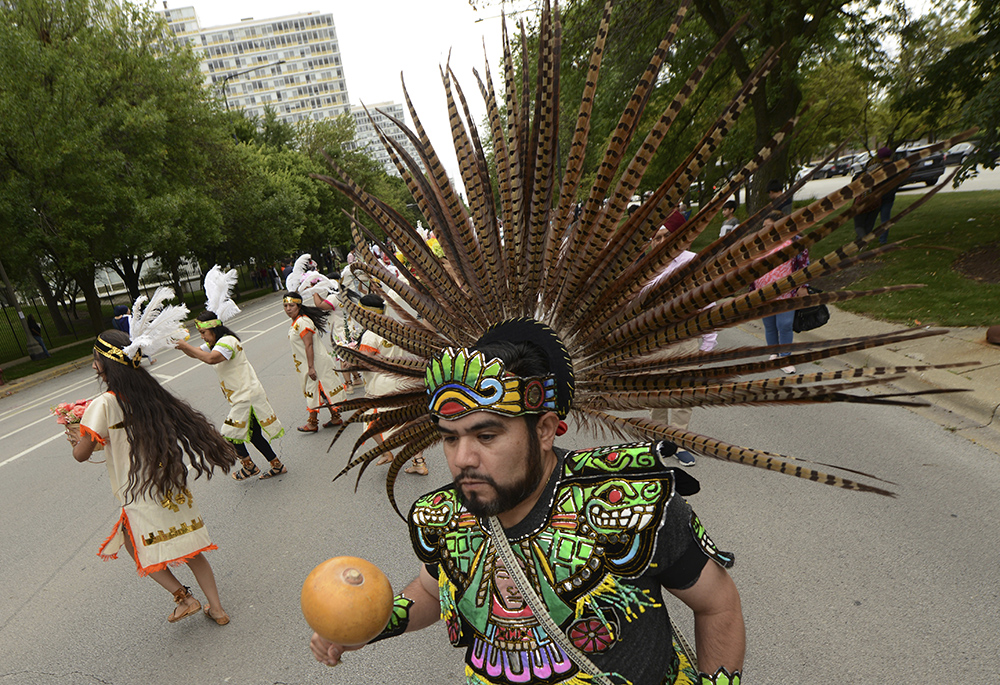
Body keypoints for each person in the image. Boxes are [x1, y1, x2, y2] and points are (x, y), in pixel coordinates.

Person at [310, 329, 745, 685]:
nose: (462, 458)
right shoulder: (441, 515)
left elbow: (717, 604)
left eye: (486, 436)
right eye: (449, 437)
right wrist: (366, 626)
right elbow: (429, 589)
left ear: (544, 431)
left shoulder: (631, 504)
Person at [68, 328, 235, 625]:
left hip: (139, 490)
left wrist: (74, 437)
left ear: (105, 364)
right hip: (170, 483)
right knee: (193, 549)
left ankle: (184, 598)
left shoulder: (103, 404)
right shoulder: (150, 394)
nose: (93, 366)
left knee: (133, 544)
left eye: (95, 360)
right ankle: (218, 609)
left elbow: (82, 454)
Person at [176, 311, 287, 480]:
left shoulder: (227, 341)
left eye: (203, 333)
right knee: (255, 435)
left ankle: (249, 467)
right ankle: (277, 465)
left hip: (246, 397)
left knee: (229, 434)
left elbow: (212, 359)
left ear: (214, 329)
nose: (202, 337)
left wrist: (185, 346)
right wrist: (181, 345)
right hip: (242, 396)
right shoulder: (217, 342)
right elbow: (196, 353)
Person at [640, 227, 718, 467]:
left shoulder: (691, 262)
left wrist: (708, 343)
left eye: (667, 236)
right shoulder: (646, 269)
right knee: (656, 396)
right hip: (655, 342)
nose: (662, 241)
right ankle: (661, 441)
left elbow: (707, 301)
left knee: (684, 395)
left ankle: (680, 443)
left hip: (685, 339)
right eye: (657, 238)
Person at [355, 294, 428, 475]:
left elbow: (367, 362)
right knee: (408, 422)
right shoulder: (392, 327)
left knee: (370, 423)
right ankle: (417, 461)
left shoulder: (370, 335)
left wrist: (351, 358)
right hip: (403, 379)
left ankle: (387, 452)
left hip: (381, 385)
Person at [753, 211, 807, 374]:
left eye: (768, 226)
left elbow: (804, 264)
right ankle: (774, 353)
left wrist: (803, 286)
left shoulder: (794, 241)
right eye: (763, 227)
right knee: (769, 325)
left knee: (784, 324)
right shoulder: (758, 243)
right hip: (762, 292)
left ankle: (785, 356)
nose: (764, 230)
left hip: (786, 291)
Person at [283, 291, 344, 432]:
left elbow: (308, 345)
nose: (288, 309)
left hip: (316, 363)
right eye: (285, 305)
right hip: (309, 363)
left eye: (291, 305)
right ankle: (335, 417)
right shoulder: (297, 321)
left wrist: (311, 367)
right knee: (321, 390)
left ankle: (312, 423)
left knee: (314, 390)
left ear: (298, 305)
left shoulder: (303, 322)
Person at [853, 147, 896, 245]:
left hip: (865, 201)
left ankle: (862, 240)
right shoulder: (893, 168)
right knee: (876, 221)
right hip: (881, 200)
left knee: (859, 223)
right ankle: (881, 240)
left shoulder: (863, 175)